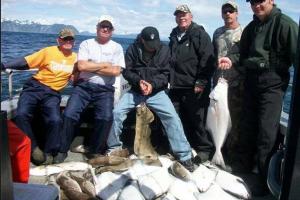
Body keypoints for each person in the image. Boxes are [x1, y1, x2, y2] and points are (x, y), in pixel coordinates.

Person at [219, 0, 298, 196]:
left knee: (266, 134)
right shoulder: (252, 28)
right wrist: (230, 59)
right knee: (246, 128)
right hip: (251, 84)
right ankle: (241, 171)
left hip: (272, 86)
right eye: (252, 2)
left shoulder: (286, 24)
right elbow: (242, 55)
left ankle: (263, 183)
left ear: (271, 0)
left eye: (260, 1)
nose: (256, 5)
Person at [106, 26, 195, 171]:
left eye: (155, 44)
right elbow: (127, 71)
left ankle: (184, 155)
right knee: (117, 113)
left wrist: (152, 85)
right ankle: (113, 149)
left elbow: (167, 74)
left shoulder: (165, 50)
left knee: (172, 117)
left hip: (156, 92)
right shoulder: (133, 49)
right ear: (142, 40)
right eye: (149, 45)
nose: (153, 47)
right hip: (135, 91)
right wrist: (138, 82)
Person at [1, 28, 77, 165]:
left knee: (55, 120)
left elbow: (79, 74)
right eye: (65, 39)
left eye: (71, 39)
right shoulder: (48, 51)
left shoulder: (76, 58)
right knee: (22, 115)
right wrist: (4, 65)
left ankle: (49, 153)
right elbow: (26, 61)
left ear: (74, 42)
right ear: (58, 40)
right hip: (34, 88)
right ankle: (33, 148)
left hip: (53, 94)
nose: (68, 41)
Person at [58, 15, 125, 163]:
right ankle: (62, 150)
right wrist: (105, 64)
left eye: (108, 27)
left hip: (105, 90)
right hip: (83, 87)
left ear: (112, 30)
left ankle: (95, 152)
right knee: (69, 114)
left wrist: (92, 65)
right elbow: (81, 66)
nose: (105, 29)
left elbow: (116, 72)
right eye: (102, 26)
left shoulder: (117, 47)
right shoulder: (86, 44)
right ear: (97, 28)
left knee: (106, 118)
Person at [169, 4, 215, 164]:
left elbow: (208, 60)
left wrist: (201, 82)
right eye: (179, 15)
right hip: (176, 86)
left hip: (194, 87)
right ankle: (183, 147)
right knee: (177, 119)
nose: (182, 17)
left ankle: (205, 149)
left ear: (191, 16)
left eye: (184, 14)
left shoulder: (200, 35)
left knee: (198, 119)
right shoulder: (174, 35)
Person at [212, 1, 243, 164]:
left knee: (234, 119)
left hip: (237, 83)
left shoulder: (244, 32)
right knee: (216, 118)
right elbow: (213, 54)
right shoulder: (217, 32)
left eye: (231, 11)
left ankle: (231, 156)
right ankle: (218, 151)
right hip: (218, 81)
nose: (228, 14)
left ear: (237, 13)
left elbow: (245, 56)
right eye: (225, 11)